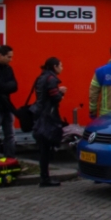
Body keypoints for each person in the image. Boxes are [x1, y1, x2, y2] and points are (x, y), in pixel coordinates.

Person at [32, 57, 66, 187]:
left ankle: (44, 176)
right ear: (55, 67)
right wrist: (61, 93)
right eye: (61, 65)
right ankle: (45, 178)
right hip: (48, 117)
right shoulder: (51, 79)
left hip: (40, 114)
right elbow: (55, 98)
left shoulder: (41, 77)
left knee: (43, 148)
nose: (62, 68)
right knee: (46, 148)